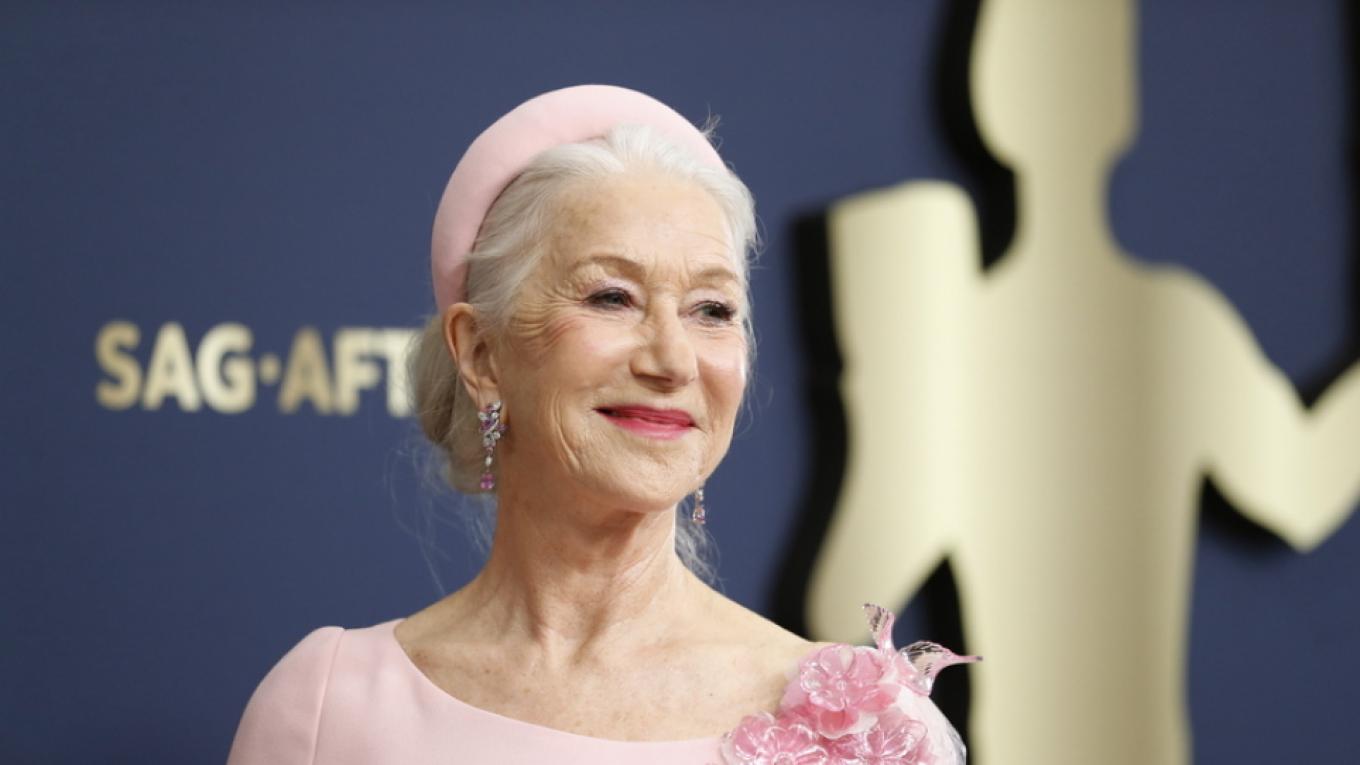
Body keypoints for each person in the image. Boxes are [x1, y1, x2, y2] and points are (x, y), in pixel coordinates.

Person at [225, 84, 973, 765]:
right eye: (612, 297)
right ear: (481, 353)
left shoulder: (866, 728)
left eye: (713, 309)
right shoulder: (326, 707)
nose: (672, 359)